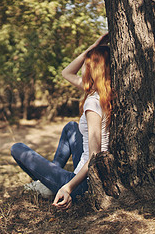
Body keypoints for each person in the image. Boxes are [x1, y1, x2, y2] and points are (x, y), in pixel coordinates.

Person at [10, 33, 112, 210]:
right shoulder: (105, 92)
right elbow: (66, 73)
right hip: (89, 173)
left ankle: (52, 184)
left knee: (17, 148)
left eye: (86, 64)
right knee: (72, 127)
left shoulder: (92, 103)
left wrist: (68, 187)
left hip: (83, 183)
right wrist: (94, 47)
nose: (82, 68)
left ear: (92, 70)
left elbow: (94, 158)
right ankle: (50, 178)